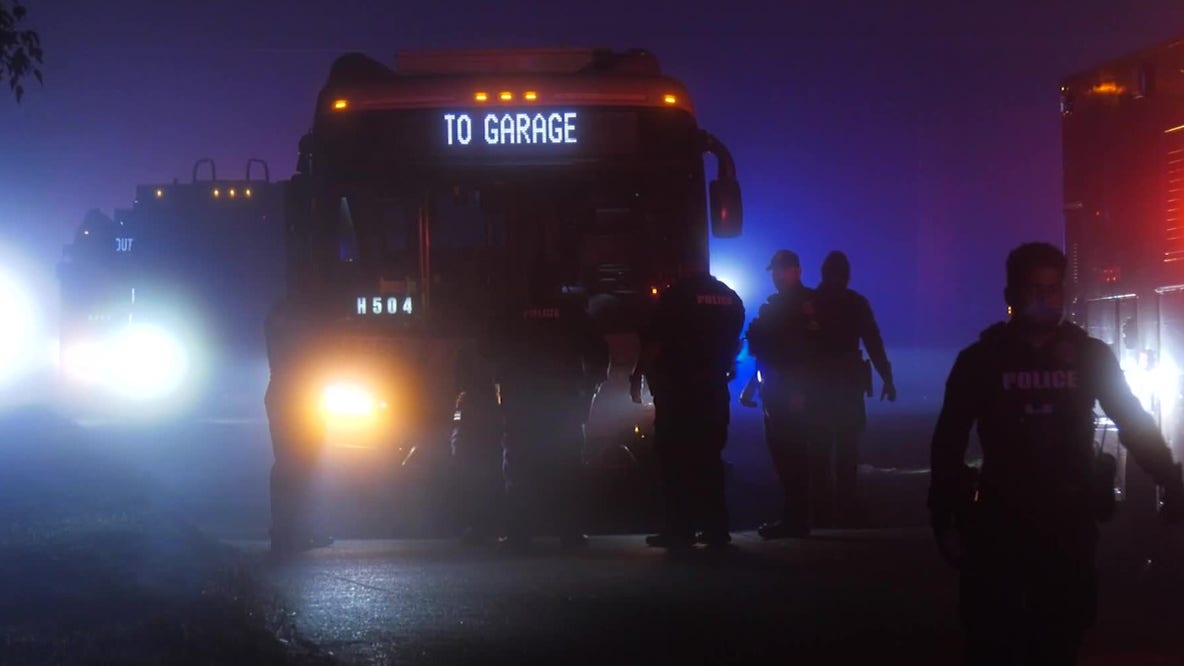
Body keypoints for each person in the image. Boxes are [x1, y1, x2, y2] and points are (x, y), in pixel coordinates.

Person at [928, 241, 1184, 664]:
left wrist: (1169, 478)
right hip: (1001, 515)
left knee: (1064, 631)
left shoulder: (1089, 356)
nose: (1046, 299)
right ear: (1011, 294)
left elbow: (1132, 419)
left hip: (1068, 512)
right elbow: (949, 439)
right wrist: (943, 512)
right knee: (993, 634)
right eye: (1034, 289)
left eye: (1053, 288)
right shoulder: (982, 360)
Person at [486, 268, 610, 550]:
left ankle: (519, 533)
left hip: (521, 400)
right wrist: (591, 388)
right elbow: (599, 353)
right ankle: (570, 533)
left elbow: (488, 349)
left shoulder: (513, 312)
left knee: (519, 466)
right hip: (562, 401)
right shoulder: (572, 313)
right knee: (566, 465)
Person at [631, 259, 745, 549]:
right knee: (710, 459)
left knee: (675, 460)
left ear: (684, 268)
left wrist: (637, 375)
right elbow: (735, 342)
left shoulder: (676, 297)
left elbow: (655, 342)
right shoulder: (730, 298)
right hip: (714, 391)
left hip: (679, 393)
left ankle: (679, 528)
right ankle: (716, 528)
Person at [811, 250, 896, 526]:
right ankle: (845, 505)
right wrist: (886, 376)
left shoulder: (811, 302)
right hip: (847, 385)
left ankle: (823, 507)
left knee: (821, 448)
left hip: (820, 385)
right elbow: (873, 341)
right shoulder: (855, 302)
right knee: (846, 449)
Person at [746, 249, 824, 539]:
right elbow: (765, 349)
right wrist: (752, 385)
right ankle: (794, 518)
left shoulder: (806, 304)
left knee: (794, 456)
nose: (777, 276)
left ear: (796, 270)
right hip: (775, 389)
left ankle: (798, 520)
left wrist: (800, 390)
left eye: (782, 270)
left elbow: (806, 352)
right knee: (783, 456)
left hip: (792, 391)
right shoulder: (778, 305)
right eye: (775, 270)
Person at [263, 287, 334, 555]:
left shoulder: (279, 315)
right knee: (301, 464)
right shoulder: (298, 317)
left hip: (285, 392)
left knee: (289, 464)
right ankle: (294, 531)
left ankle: (287, 530)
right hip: (299, 395)